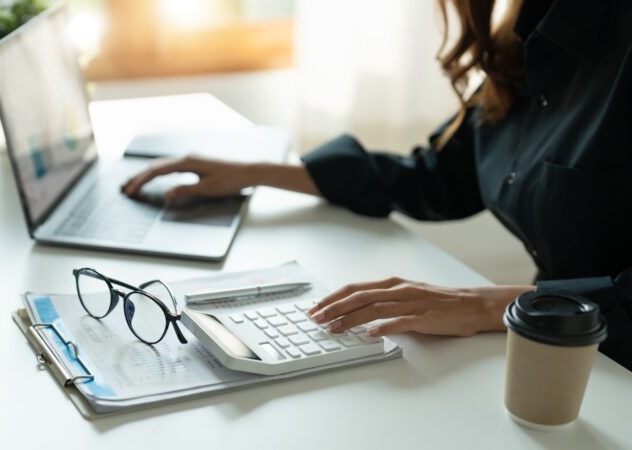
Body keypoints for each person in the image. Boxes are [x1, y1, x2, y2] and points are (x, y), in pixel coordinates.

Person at [122, 0, 632, 370]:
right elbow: (442, 177)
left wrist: (489, 305)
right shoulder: (530, 29)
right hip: (556, 358)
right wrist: (258, 172)